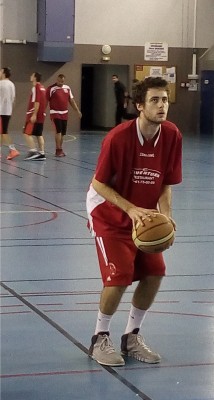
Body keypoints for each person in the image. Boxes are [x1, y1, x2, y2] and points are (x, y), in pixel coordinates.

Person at [86, 77, 182, 367]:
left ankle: (131, 336)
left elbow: (166, 183)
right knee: (120, 276)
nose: (161, 105)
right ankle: (100, 337)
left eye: (164, 99)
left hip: (143, 215)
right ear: (140, 105)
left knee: (155, 272)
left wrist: (165, 216)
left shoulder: (172, 135)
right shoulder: (117, 137)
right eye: (154, 100)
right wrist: (129, 209)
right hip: (108, 212)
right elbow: (99, 184)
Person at [46, 74, 82, 157]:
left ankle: (60, 148)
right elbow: (46, 101)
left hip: (64, 113)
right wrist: (43, 112)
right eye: (59, 81)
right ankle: (58, 149)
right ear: (57, 80)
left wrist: (77, 111)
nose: (61, 83)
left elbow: (71, 100)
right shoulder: (51, 89)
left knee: (62, 133)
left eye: (62, 81)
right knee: (58, 131)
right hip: (55, 113)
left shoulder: (67, 88)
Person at [23, 72, 46, 160]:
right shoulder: (42, 87)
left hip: (34, 114)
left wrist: (34, 114)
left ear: (35, 78)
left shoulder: (36, 87)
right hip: (42, 114)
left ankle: (33, 152)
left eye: (32, 75)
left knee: (26, 133)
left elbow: (37, 101)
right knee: (39, 134)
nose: (30, 76)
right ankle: (42, 153)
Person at [0, 67, 20, 160]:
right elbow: (14, 99)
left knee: (4, 132)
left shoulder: (1, 84)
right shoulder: (12, 84)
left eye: (1, 71)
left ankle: (13, 149)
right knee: (2, 132)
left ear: (4, 73)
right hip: (8, 111)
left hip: (1, 111)